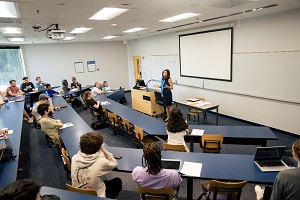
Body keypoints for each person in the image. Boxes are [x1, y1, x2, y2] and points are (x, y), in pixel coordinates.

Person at [71, 132, 122, 198]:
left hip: (78, 194)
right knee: (117, 181)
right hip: (96, 196)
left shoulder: (74, 157)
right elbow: (114, 163)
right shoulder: (101, 162)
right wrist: (103, 150)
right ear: (98, 148)